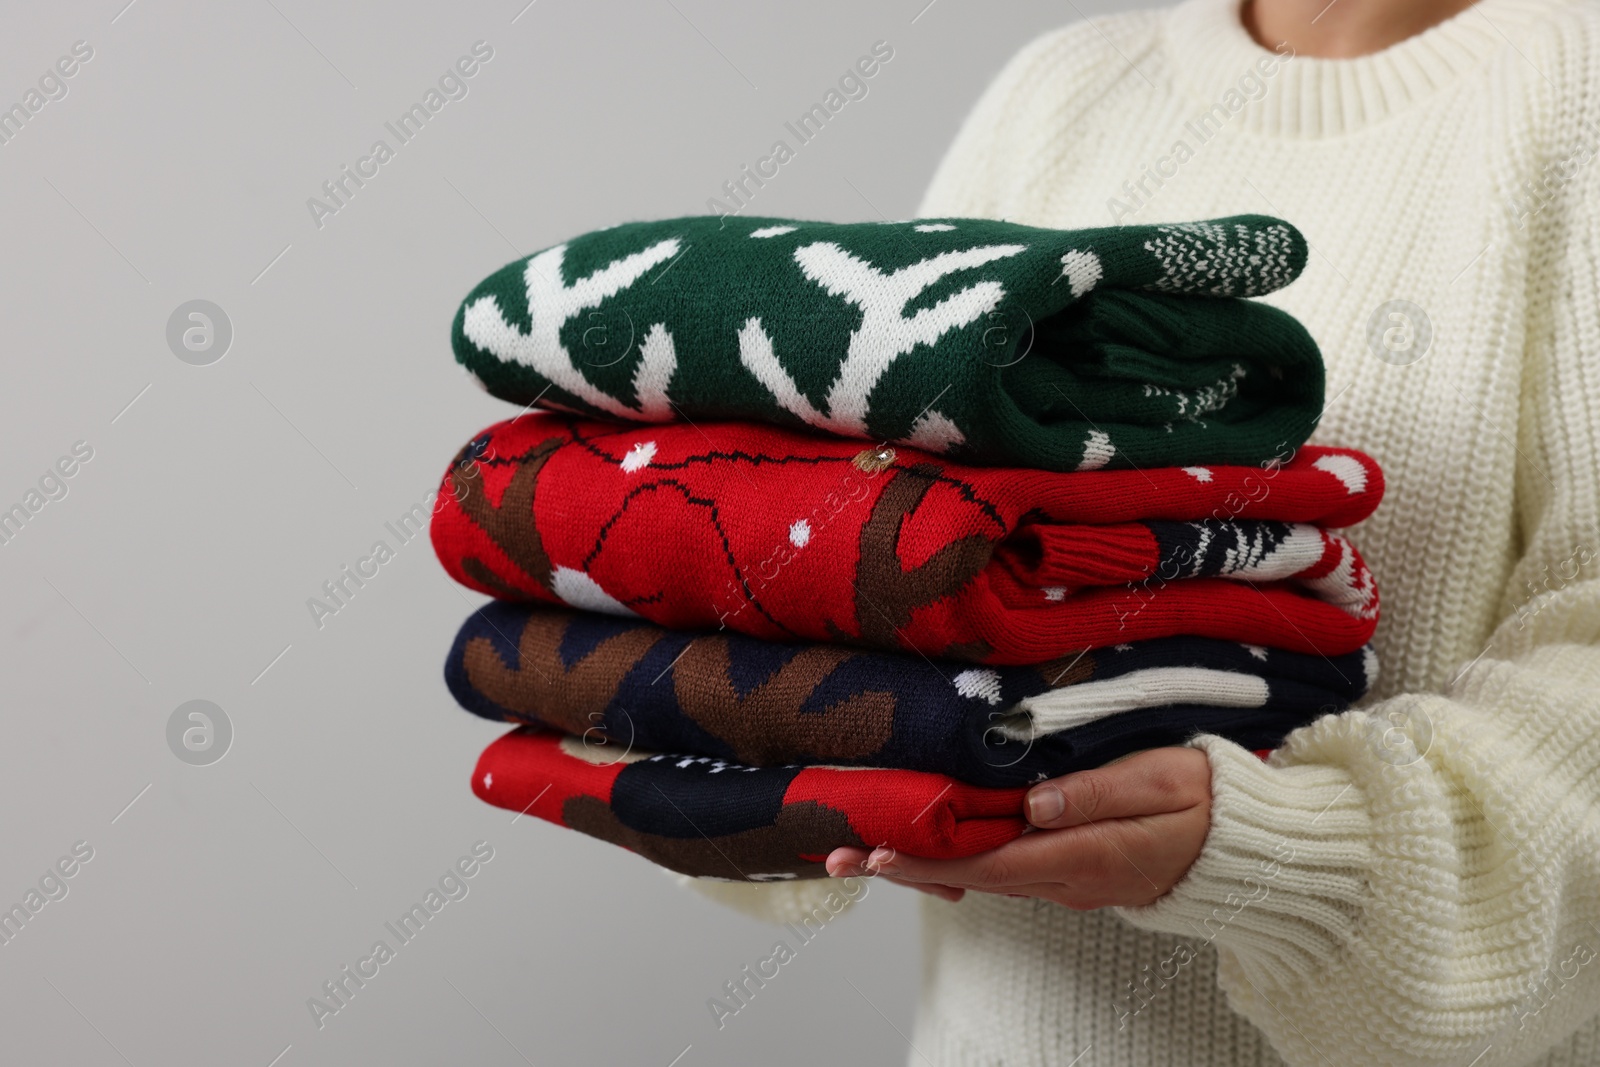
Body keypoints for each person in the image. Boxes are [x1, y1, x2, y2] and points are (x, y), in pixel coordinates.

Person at [696, 0, 1600, 1063]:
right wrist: (747, 711)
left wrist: (1281, 853)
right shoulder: (1062, 87)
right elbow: (872, 512)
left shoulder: (1571, 92)